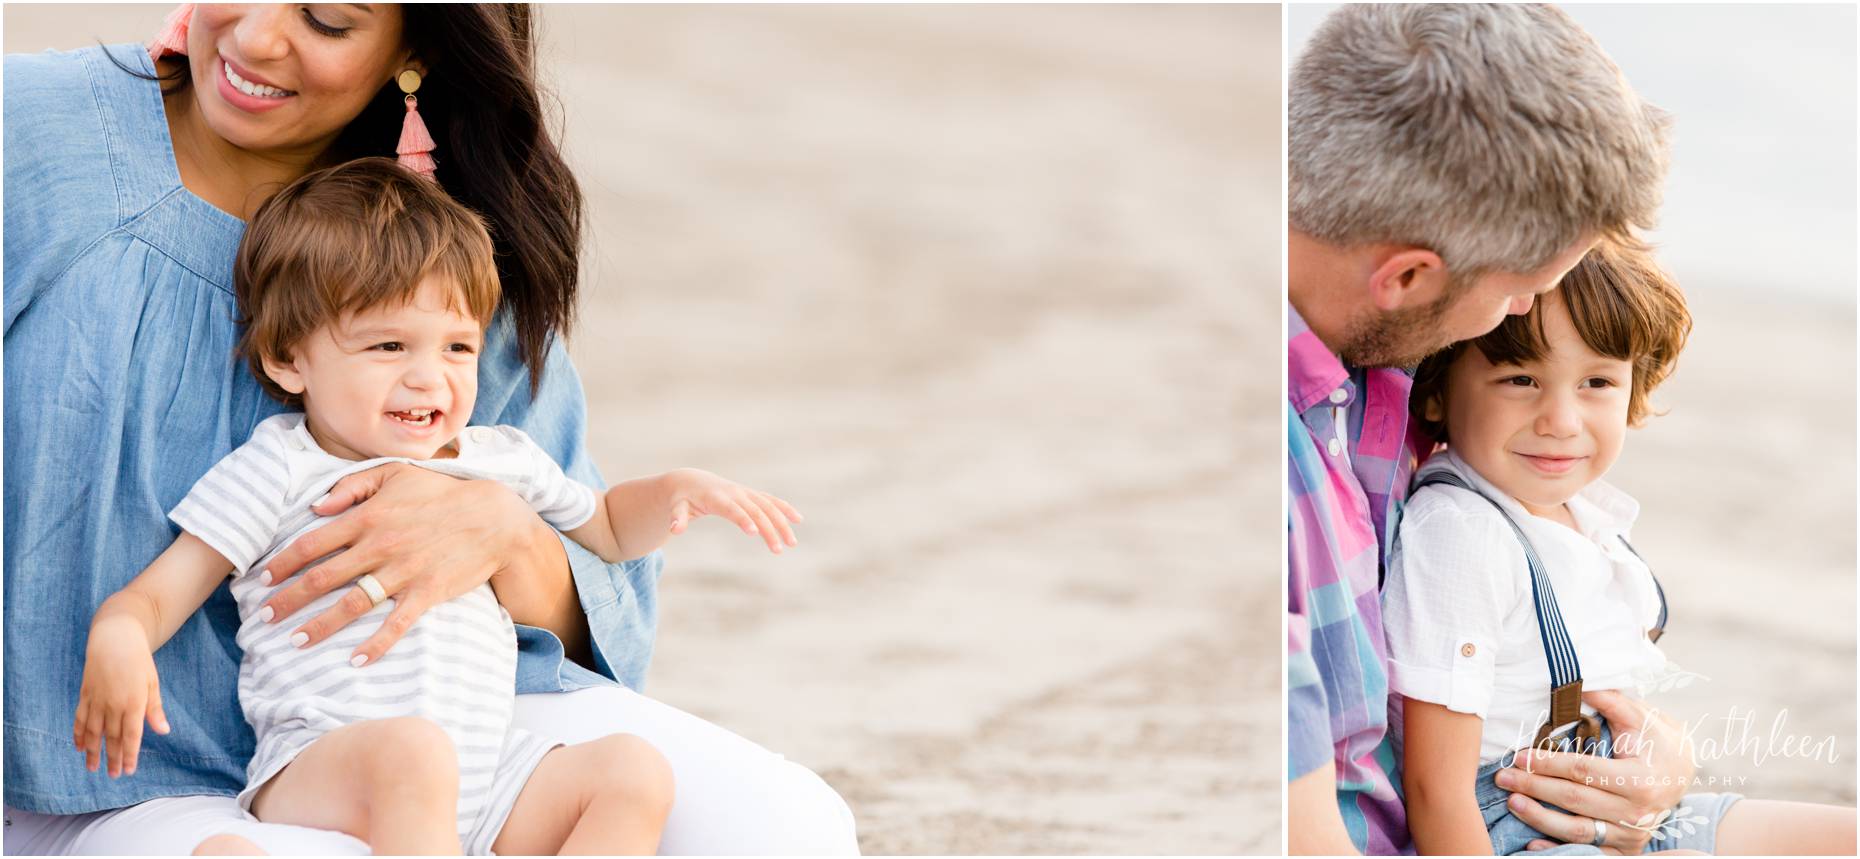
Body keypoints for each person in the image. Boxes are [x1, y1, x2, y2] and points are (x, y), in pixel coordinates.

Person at [4, 5, 856, 854]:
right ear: (287, 354)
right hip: (139, 781)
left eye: (328, 19)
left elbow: (599, 590)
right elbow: (158, 588)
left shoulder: (447, 228)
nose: (258, 36)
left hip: (462, 727)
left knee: (786, 825)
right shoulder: (33, 132)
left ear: (416, 44)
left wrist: (504, 532)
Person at [1286, 5, 1691, 854]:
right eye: (1517, 293)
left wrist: (1654, 757)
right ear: (1406, 277)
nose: (1514, 315)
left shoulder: (1384, 372)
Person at [1389, 242, 1856, 855]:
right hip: (1517, 832)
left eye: (1597, 382)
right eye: (1520, 379)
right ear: (1437, 392)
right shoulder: (1461, 533)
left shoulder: (1583, 515)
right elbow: (1435, 791)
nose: (1561, 419)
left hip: (1625, 808)